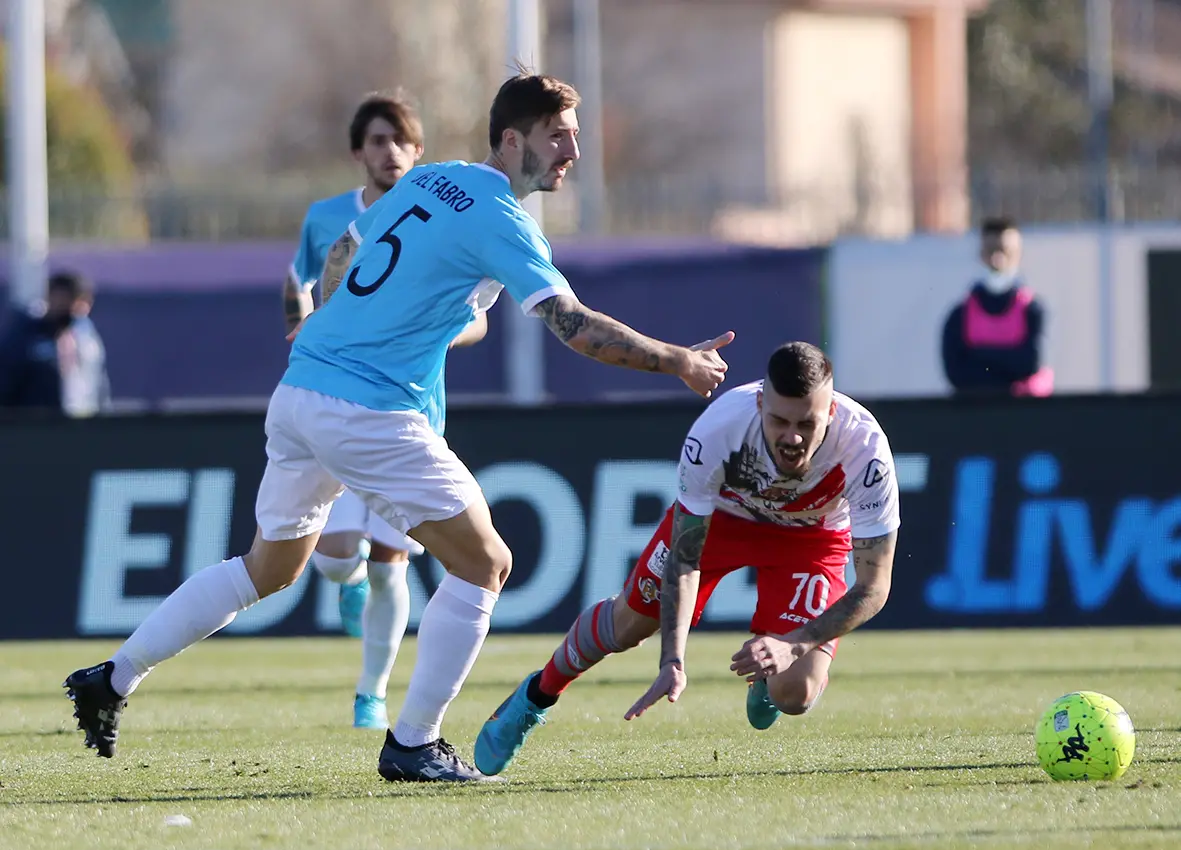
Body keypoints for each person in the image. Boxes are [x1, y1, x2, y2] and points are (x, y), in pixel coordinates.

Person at [63, 72, 734, 783]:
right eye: (556, 135)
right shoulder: (501, 219)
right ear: (512, 141)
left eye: (573, 134)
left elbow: (341, 251)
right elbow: (573, 326)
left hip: (301, 390)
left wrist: (338, 324)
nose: (571, 149)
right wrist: (676, 361)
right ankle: (413, 741)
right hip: (367, 409)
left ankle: (113, 676)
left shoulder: (431, 178)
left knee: (268, 568)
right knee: (485, 563)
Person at [474, 341, 900, 777]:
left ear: (830, 413)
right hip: (724, 520)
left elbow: (874, 587)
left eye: (806, 424)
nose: (791, 438)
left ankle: (770, 678)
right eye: (778, 420)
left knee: (796, 694)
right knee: (626, 626)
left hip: (812, 534)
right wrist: (671, 661)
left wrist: (793, 645)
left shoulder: (866, 453)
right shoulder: (718, 430)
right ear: (759, 404)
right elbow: (685, 556)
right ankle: (536, 695)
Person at [282, 91, 487, 731]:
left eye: (401, 141)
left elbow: (476, 318)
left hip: (412, 410)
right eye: (377, 140)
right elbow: (300, 283)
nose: (390, 151)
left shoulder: (436, 212)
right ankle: (341, 580)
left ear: (419, 154)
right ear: (357, 151)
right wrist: (303, 328)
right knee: (339, 555)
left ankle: (371, 695)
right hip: (339, 399)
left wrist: (433, 333)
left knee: (391, 561)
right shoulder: (328, 219)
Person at [941, 216, 1052, 398]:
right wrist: (1009, 362)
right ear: (981, 254)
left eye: (1005, 251)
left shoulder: (1033, 311)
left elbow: (1030, 364)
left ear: (1018, 255)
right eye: (991, 251)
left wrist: (977, 355)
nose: (997, 260)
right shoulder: (959, 315)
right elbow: (956, 373)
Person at [0, 269, 110, 416]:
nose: (70, 307)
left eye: (79, 302)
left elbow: (99, 389)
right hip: (35, 429)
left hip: (80, 432)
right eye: (63, 299)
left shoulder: (88, 340)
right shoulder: (25, 336)